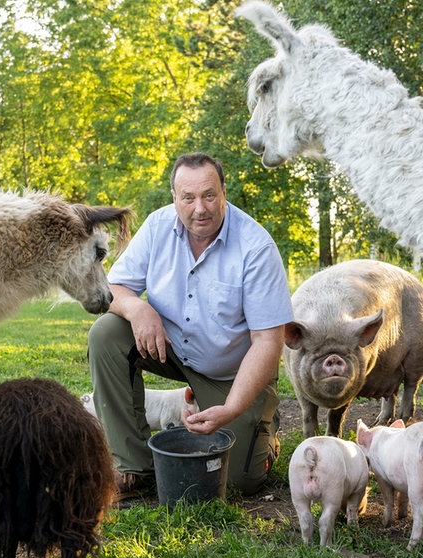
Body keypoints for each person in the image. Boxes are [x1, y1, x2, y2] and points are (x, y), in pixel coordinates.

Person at [87, 151, 293, 497]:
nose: (200, 208)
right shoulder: (157, 226)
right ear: (175, 198)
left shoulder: (256, 247)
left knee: (240, 482)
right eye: (189, 197)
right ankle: (135, 466)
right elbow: (114, 288)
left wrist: (231, 409)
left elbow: (268, 343)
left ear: (224, 192)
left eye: (209, 195)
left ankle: (264, 434)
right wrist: (139, 310)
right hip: (172, 348)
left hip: (233, 370)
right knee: (106, 334)